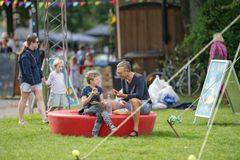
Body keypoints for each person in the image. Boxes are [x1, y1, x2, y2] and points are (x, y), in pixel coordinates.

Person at [111, 60, 152, 137]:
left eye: (120, 73)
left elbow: (139, 95)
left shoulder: (139, 78)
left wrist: (123, 96)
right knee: (110, 104)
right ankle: (124, 113)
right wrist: (122, 100)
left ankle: (135, 131)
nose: (118, 74)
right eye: (118, 72)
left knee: (134, 100)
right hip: (131, 104)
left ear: (127, 71)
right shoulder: (123, 80)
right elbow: (126, 95)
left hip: (145, 105)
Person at [18, 34, 48, 125]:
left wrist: (41, 76)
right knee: (24, 99)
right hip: (27, 81)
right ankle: (21, 120)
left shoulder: (36, 52)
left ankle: (44, 118)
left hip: (37, 80)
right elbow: (27, 72)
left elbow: (38, 67)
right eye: (37, 42)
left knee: (40, 98)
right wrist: (33, 84)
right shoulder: (25, 55)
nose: (39, 43)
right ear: (31, 43)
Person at [80, 70, 116, 137]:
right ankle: (111, 125)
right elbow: (83, 103)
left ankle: (94, 134)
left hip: (98, 108)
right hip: (88, 109)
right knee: (99, 107)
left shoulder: (99, 89)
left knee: (99, 114)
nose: (99, 81)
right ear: (91, 81)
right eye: (97, 79)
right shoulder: (85, 89)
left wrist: (104, 102)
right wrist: (91, 94)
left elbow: (101, 100)